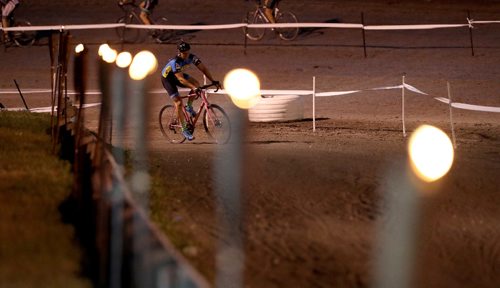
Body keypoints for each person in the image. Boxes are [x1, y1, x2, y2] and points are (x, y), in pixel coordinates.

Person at [160, 41, 220, 141]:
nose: (186, 55)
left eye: (187, 52)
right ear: (179, 52)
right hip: (168, 79)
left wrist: (213, 80)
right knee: (179, 102)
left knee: (196, 83)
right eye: (184, 53)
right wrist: (194, 88)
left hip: (179, 75)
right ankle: (184, 129)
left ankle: (189, 106)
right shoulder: (175, 62)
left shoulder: (192, 57)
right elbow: (181, 79)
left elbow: (203, 69)